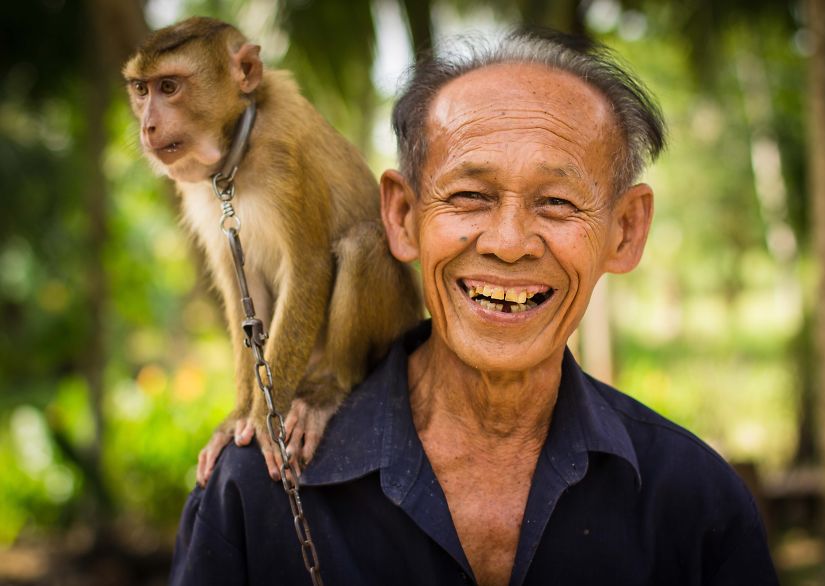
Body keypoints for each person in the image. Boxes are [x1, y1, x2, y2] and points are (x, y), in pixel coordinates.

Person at [169, 29, 779, 586]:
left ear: (625, 231)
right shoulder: (251, 490)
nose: (508, 243)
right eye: (469, 196)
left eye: (557, 203)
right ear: (402, 218)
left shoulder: (694, 502)